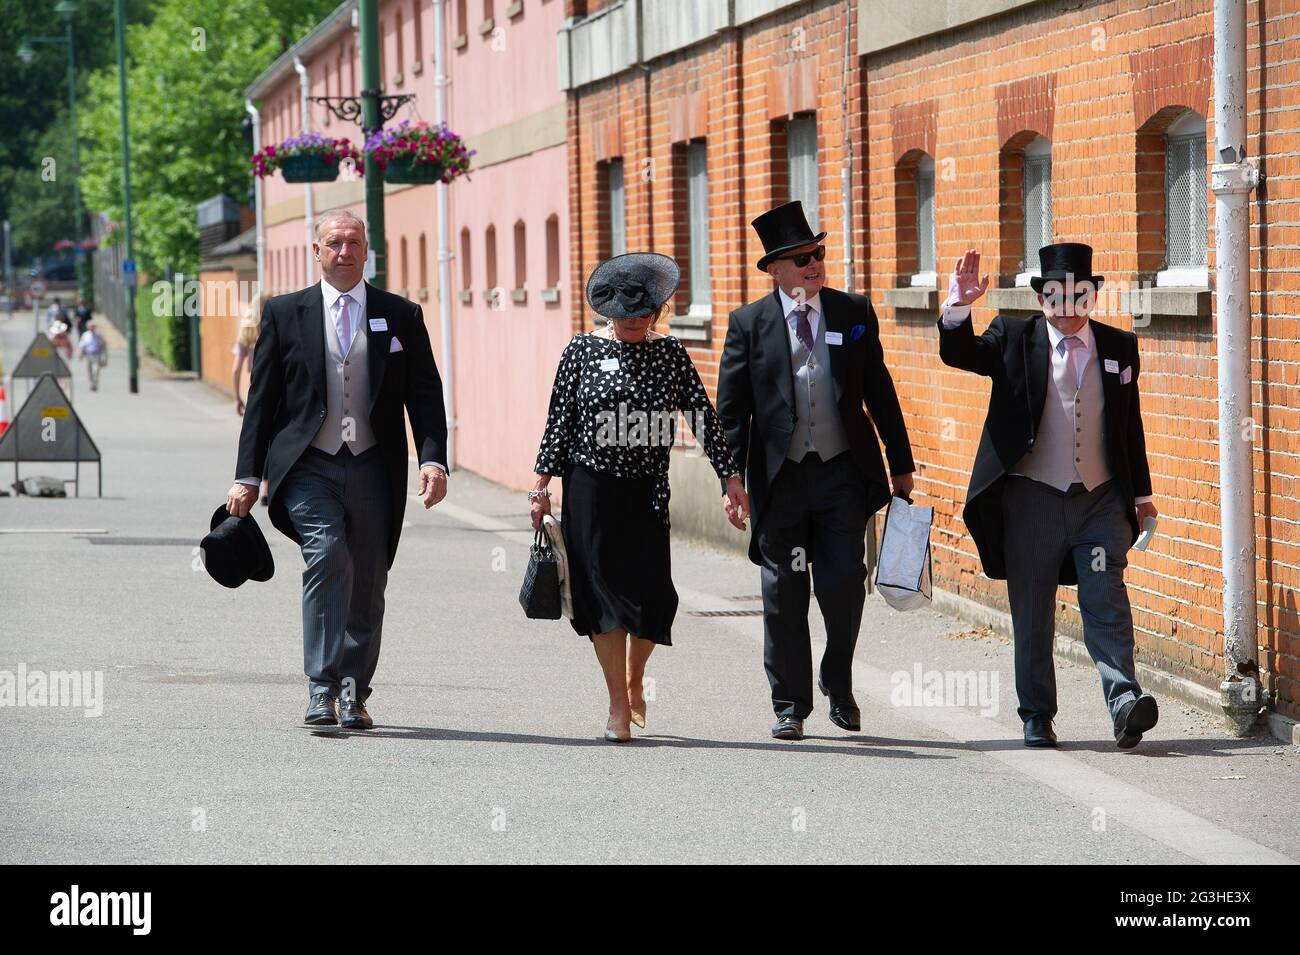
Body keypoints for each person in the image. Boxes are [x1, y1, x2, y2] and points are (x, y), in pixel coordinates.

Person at [225, 208, 449, 730]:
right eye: (334, 243)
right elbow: (262, 401)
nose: (344, 251)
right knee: (327, 555)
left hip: (374, 464)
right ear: (316, 252)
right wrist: (247, 474)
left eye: (353, 242)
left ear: (366, 250)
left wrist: (433, 458)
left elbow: (424, 392)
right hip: (309, 463)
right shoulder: (285, 313)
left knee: (369, 579)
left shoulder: (401, 315)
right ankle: (321, 687)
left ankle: (353, 693)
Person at [937, 243, 1159, 749]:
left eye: (1077, 295)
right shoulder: (1013, 337)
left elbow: (1130, 426)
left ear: (1092, 295)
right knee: (1033, 607)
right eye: (1054, 296)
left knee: (1105, 597)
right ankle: (1037, 714)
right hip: (1032, 497)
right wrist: (959, 308)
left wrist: (1142, 495)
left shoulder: (1120, 347)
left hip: (1100, 501)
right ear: (1041, 298)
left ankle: (1124, 702)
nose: (1066, 307)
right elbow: (961, 354)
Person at [716, 201, 915, 741]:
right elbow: (731, 414)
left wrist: (901, 465)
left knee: (844, 587)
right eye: (801, 258)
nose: (814, 264)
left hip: (841, 474)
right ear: (775, 269)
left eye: (819, 254)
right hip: (779, 482)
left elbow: (880, 389)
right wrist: (731, 480)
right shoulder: (749, 325)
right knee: (784, 592)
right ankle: (790, 703)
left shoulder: (853, 312)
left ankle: (838, 679)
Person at [530, 253, 747, 743]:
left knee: (653, 596)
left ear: (657, 312)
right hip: (591, 490)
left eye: (644, 313)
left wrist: (729, 477)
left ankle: (634, 678)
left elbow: (702, 415)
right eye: (625, 313)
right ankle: (616, 705)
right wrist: (540, 486)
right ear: (606, 310)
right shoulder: (581, 351)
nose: (634, 321)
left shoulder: (670, 354)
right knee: (601, 598)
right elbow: (559, 420)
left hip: (648, 489)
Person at [231, 294, 269, 506]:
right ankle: (268, 485)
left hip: (255, 391)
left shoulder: (247, 333)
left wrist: (237, 397)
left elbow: (236, 369)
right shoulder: (280, 325)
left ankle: (262, 483)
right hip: (279, 389)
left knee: (259, 436)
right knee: (274, 438)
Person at [76, 319, 107, 391]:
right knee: (89, 370)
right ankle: (91, 382)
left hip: (96, 354)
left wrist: (103, 354)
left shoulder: (98, 335)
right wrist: (81, 355)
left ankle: (95, 384)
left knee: (95, 370)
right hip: (89, 354)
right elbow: (83, 345)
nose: (92, 328)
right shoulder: (85, 335)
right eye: (91, 326)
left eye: (93, 326)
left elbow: (103, 344)